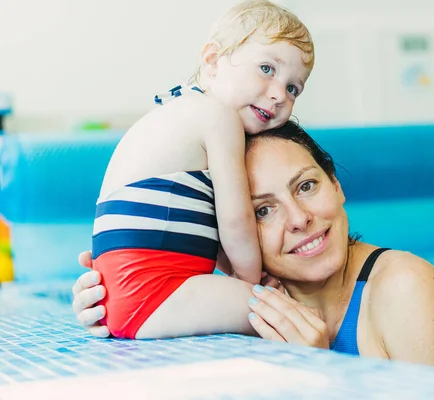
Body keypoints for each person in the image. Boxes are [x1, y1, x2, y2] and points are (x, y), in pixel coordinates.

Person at [73, 121, 434, 373]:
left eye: (307, 186)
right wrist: (115, 310)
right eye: (263, 211)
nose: (299, 218)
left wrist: (328, 376)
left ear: (336, 185)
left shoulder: (406, 289)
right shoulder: (233, 304)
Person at [91, 0, 314, 339]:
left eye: (292, 88)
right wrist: (253, 281)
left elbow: (214, 233)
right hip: (155, 293)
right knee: (278, 310)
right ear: (212, 61)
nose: (279, 95)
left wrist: (238, 275)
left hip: (118, 295)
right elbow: (235, 222)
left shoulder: (180, 113)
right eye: (267, 69)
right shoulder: (217, 117)